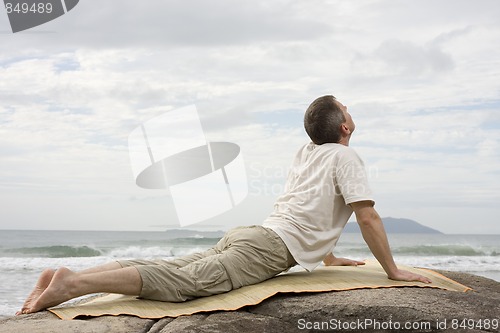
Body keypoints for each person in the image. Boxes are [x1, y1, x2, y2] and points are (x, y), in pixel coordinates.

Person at [17, 95, 431, 315]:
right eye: (347, 109)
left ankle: (70, 274)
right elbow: (366, 216)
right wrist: (393, 272)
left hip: (255, 234)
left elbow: (308, 206)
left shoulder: (307, 153)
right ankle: (73, 285)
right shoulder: (346, 156)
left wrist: (328, 256)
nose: (350, 112)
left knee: (177, 267)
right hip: (268, 246)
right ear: (345, 127)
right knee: (186, 285)